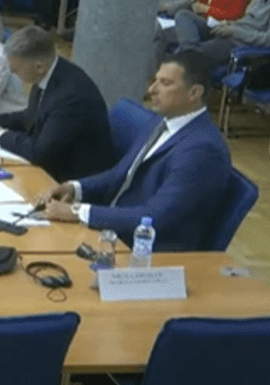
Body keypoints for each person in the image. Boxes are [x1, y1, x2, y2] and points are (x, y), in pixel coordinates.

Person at [36, 51, 231, 251]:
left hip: (146, 251)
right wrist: (73, 188)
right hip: (114, 230)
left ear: (194, 93)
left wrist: (78, 212)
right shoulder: (161, 121)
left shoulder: (203, 150)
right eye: (154, 81)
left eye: (165, 83)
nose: (152, 90)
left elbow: (155, 217)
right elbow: (121, 173)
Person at [0, 25, 115, 182]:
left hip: (73, 180)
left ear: (39, 66)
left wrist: (0, 135)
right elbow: (31, 116)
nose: (12, 73)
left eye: (16, 70)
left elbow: (38, 152)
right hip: (54, 163)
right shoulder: (48, 72)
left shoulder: (69, 97)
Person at [187, 0, 270, 67]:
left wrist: (235, 31)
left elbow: (267, 40)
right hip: (229, 32)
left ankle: (188, 54)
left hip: (240, 43)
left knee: (188, 56)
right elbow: (248, 21)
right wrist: (230, 24)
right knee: (183, 17)